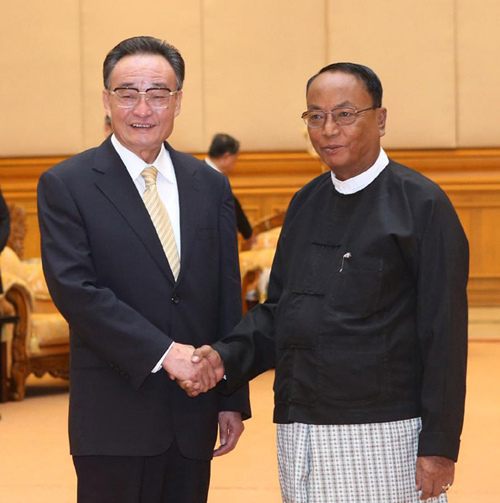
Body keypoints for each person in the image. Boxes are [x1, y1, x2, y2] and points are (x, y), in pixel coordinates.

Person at [183, 63, 469, 503]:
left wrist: (439, 446)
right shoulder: (305, 202)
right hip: (300, 426)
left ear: (382, 118)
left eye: (345, 114)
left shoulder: (422, 205)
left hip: (383, 432)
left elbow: (444, 335)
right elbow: (279, 311)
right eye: (315, 116)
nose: (328, 129)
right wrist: (222, 359)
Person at [37, 36, 250, 503]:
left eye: (158, 94)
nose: (143, 108)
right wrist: (164, 352)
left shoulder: (211, 186)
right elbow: (77, 291)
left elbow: (224, 294)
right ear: (106, 100)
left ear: (178, 101)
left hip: (194, 414)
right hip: (114, 415)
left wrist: (231, 396)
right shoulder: (66, 184)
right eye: (128, 93)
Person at [205, 133, 253, 243]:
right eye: (235, 158)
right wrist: (248, 235)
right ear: (226, 157)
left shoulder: (199, 169)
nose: (235, 163)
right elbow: (233, 207)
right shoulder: (212, 177)